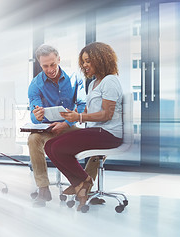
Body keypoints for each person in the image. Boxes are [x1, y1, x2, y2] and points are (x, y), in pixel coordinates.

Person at [44, 42, 123, 211]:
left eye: (88, 61)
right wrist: (71, 115)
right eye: (83, 62)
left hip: (109, 134)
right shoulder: (94, 83)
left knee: (58, 147)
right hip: (96, 131)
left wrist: (79, 116)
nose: (85, 65)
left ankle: (83, 182)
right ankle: (81, 183)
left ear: (101, 59)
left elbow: (107, 114)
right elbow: (91, 110)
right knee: (49, 145)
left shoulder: (110, 81)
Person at [27, 44, 98, 207]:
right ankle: (43, 188)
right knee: (33, 139)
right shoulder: (35, 85)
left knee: (97, 139)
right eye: (45, 66)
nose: (50, 69)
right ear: (40, 64)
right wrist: (37, 116)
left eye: (53, 64)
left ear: (59, 60)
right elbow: (34, 114)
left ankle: (85, 184)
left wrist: (66, 123)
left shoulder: (75, 78)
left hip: (68, 126)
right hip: (47, 129)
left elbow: (81, 105)